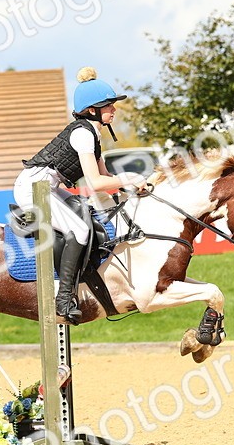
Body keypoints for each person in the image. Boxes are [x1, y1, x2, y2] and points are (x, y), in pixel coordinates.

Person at [16, 66, 145, 322]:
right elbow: (95, 182)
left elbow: (105, 178)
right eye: (108, 105)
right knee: (81, 230)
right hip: (34, 189)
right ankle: (64, 298)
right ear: (92, 109)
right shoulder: (82, 134)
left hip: (49, 187)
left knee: (86, 213)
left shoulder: (93, 134)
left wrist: (130, 187)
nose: (113, 109)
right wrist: (129, 177)